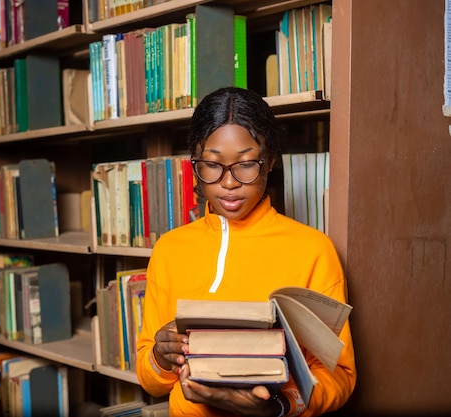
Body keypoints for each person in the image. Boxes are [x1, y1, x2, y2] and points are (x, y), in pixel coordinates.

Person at [135, 87, 356, 417]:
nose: (228, 182)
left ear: (270, 161)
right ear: (194, 161)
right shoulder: (170, 249)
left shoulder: (312, 249)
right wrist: (159, 358)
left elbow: (340, 375)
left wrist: (280, 406)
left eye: (246, 163)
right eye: (212, 164)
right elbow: (151, 381)